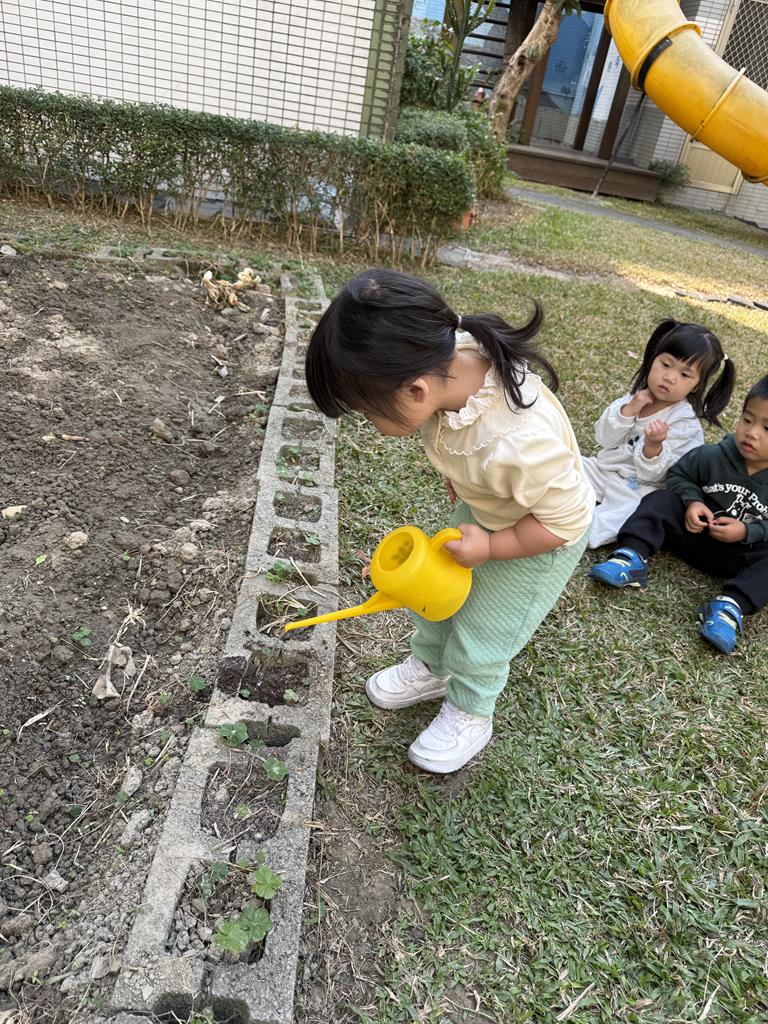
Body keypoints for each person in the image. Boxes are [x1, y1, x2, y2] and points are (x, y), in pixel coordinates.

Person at [305, 268, 595, 773]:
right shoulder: (445, 359)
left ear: (416, 390)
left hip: (540, 536)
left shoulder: (520, 442)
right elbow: (460, 440)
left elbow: (565, 521)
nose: (371, 424)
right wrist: (463, 478)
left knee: (486, 626)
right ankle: (433, 666)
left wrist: (492, 548)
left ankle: (471, 710)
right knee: (438, 591)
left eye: (369, 412)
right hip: (491, 509)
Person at [590, 375, 768, 655]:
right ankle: (631, 556)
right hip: (689, 533)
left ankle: (729, 608)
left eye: (767, 428)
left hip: (737, 556)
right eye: (747, 419)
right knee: (662, 498)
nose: (752, 433)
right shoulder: (714, 456)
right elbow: (678, 475)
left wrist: (747, 531)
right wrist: (693, 502)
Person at [584, 319, 735, 548]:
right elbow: (603, 439)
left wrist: (653, 448)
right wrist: (629, 410)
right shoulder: (635, 398)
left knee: (619, 516)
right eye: (666, 364)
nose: (670, 377)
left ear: (696, 385)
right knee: (567, 465)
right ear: (654, 359)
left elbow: (664, 476)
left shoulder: (685, 424)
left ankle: (574, 536)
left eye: (685, 375)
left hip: (639, 489)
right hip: (605, 470)